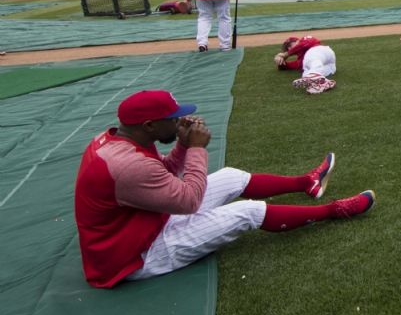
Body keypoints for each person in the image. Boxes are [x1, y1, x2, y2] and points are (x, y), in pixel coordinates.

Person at [73, 90, 375, 289]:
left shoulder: (121, 138)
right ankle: (334, 211)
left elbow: (162, 174)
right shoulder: (128, 165)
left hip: (142, 223)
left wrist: (180, 143)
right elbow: (189, 199)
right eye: (173, 118)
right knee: (248, 211)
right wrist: (194, 149)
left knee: (231, 176)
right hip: (136, 256)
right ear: (149, 125)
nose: (180, 119)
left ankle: (305, 182)